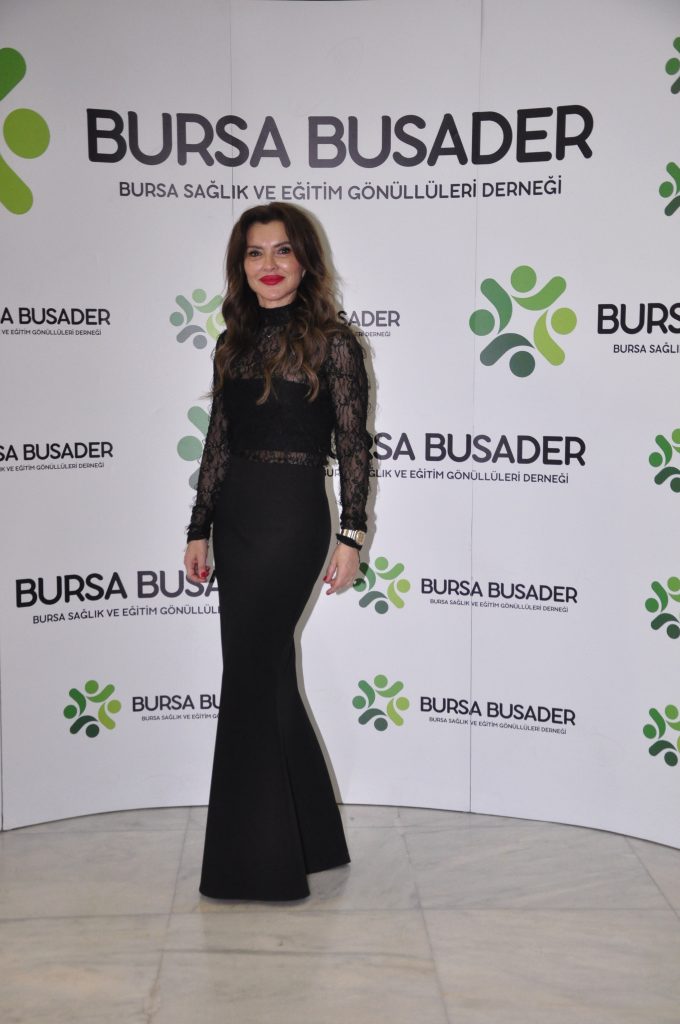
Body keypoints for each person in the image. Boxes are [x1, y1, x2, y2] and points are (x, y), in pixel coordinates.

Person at [183, 202, 371, 901]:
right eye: (255, 253)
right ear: (242, 266)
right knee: (264, 674)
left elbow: (354, 444)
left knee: (250, 677)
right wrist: (199, 525)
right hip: (236, 516)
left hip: (293, 516)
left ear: (304, 261)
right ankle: (312, 837)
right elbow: (218, 442)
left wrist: (352, 533)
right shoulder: (231, 342)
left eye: (282, 250)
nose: (269, 264)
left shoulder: (334, 343)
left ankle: (257, 865)